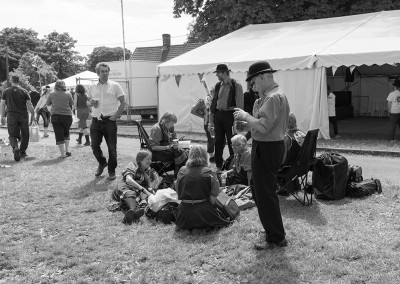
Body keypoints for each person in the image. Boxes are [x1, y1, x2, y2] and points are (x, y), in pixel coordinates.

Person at [233, 61, 290, 249]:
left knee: (265, 193)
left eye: (253, 81)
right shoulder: (268, 97)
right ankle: (272, 230)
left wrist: (245, 116)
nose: (252, 86)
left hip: (268, 147)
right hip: (264, 145)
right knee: (258, 190)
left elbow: (264, 126)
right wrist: (247, 127)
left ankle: (276, 237)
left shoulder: (273, 97)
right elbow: (261, 125)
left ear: (263, 77)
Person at [174, 145, 232, 232]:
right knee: (224, 201)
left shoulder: (182, 170)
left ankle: (190, 225)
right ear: (205, 156)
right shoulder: (209, 171)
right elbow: (213, 199)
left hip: (183, 214)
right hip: (204, 212)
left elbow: (178, 193)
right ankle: (203, 225)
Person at [87, 62, 126, 181]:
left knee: (112, 148)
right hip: (96, 120)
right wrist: (90, 103)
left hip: (109, 120)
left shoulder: (115, 86)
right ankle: (102, 162)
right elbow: (88, 101)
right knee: (94, 145)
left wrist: (115, 117)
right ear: (97, 73)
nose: (105, 73)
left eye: (106, 71)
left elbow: (123, 103)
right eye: (102, 71)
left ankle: (111, 171)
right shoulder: (92, 86)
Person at [111, 149, 162, 224]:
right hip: (126, 186)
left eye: (150, 159)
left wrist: (151, 190)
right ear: (140, 160)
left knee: (143, 197)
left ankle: (132, 214)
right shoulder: (133, 165)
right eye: (147, 159)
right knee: (129, 193)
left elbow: (151, 186)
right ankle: (134, 211)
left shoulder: (149, 171)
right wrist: (142, 189)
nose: (150, 161)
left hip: (138, 192)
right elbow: (128, 180)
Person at [208, 64, 243, 171]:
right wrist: (211, 121)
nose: (217, 75)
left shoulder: (236, 85)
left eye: (218, 73)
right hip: (218, 115)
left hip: (230, 115)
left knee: (232, 141)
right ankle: (219, 165)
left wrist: (237, 121)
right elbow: (213, 104)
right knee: (218, 141)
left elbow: (239, 105)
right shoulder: (218, 85)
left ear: (224, 72)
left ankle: (233, 165)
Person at [0, 75, 35, 161]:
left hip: (11, 115)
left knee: (12, 135)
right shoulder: (24, 91)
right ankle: (22, 152)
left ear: (11, 81)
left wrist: (2, 116)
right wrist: (33, 115)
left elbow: (3, 104)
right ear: (19, 81)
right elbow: (29, 105)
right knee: (25, 134)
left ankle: (15, 148)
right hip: (23, 115)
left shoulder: (6, 91)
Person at [148, 112, 188, 176]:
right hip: (159, 153)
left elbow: (174, 138)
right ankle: (179, 175)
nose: (172, 125)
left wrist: (178, 141)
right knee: (180, 152)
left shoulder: (169, 127)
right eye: (171, 123)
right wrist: (168, 147)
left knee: (187, 149)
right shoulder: (157, 129)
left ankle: (184, 173)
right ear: (165, 121)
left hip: (168, 149)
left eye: (173, 124)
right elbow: (153, 147)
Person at [46, 80, 74, 158]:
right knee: (66, 132)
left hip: (56, 116)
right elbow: (72, 103)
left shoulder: (51, 94)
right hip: (67, 116)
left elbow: (48, 104)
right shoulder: (68, 94)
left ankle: (62, 154)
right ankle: (67, 150)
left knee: (59, 134)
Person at [204, 87, 215, 163]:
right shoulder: (208, 98)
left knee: (220, 140)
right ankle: (211, 157)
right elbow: (209, 107)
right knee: (211, 140)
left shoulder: (218, 98)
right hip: (208, 122)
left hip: (217, 122)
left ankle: (217, 156)